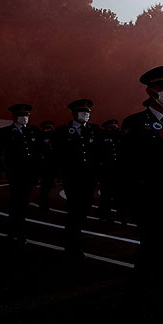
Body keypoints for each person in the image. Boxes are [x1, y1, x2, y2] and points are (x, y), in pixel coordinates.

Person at [120, 65, 163, 291]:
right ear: (150, 91)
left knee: (152, 241)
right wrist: (129, 197)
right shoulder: (135, 123)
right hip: (146, 196)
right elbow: (127, 163)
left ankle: (141, 279)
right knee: (158, 240)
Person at [53, 99, 97, 259]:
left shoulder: (93, 131)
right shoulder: (63, 131)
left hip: (88, 178)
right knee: (74, 210)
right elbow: (58, 154)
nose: (86, 115)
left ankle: (73, 235)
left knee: (84, 209)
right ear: (73, 113)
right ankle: (72, 243)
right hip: (72, 177)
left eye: (88, 112)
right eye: (82, 112)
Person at [0, 104, 41, 245]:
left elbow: (36, 154)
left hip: (28, 173)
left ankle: (15, 227)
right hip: (15, 172)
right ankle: (16, 230)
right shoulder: (6, 132)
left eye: (27, 115)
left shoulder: (32, 132)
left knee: (23, 202)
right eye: (22, 115)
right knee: (17, 201)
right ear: (15, 117)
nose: (25, 118)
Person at [96, 119, 123, 223]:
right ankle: (104, 214)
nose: (113, 130)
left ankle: (122, 216)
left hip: (118, 170)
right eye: (111, 128)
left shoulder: (120, 137)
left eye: (115, 127)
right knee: (105, 195)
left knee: (120, 195)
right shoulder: (101, 137)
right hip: (105, 171)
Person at [36, 120, 56, 211]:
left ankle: (41, 198)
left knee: (50, 184)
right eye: (46, 127)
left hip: (52, 163)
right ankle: (43, 202)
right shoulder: (40, 136)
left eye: (50, 127)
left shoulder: (55, 136)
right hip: (43, 163)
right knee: (45, 184)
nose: (48, 129)